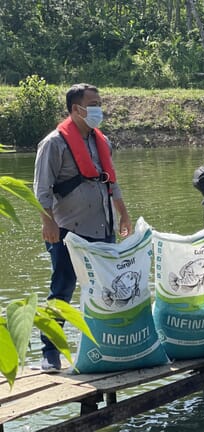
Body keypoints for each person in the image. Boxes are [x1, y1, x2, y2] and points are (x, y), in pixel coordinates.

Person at [33, 83, 132, 372]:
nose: (99, 108)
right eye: (93, 103)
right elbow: (41, 189)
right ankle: (50, 351)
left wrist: (123, 215)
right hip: (66, 231)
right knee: (62, 289)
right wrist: (47, 222)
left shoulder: (102, 141)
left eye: (100, 102)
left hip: (103, 229)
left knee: (108, 289)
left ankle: (108, 345)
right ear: (76, 109)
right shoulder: (54, 143)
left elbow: (112, 182)